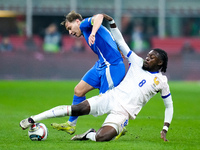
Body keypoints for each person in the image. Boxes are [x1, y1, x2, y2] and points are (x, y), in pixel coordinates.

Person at [20, 14, 173, 142]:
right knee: (78, 99)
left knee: (102, 137)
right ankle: (35, 119)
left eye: (151, 57)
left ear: (160, 62)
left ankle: (94, 132)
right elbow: (120, 41)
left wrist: (165, 127)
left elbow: (169, 106)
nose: (147, 58)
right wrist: (112, 23)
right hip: (109, 86)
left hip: (120, 99)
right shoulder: (137, 61)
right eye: (148, 55)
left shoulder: (162, 82)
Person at [50, 11, 126, 135]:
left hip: (112, 66)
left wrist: (94, 33)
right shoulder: (85, 30)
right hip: (101, 64)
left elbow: (100, 16)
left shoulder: (84, 24)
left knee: (105, 102)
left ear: (77, 21)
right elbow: (107, 38)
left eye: (70, 28)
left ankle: (121, 124)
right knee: (78, 90)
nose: (70, 33)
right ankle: (71, 124)